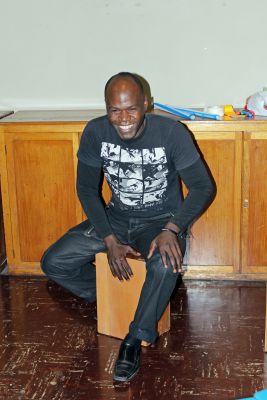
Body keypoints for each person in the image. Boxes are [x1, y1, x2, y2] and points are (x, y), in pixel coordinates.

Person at [41, 72, 215, 382]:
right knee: (54, 261)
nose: (123, 118)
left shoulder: (171, 133)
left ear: (146, 104)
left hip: (161, 223)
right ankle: (106, 296)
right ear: (106, 108)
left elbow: (202, 187)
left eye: (131, 109)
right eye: (115, 110)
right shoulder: (95, 132)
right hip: (116, 219)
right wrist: (109, 238)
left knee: (165, 265)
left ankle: (134, 339)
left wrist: (173, 229)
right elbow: (86, 189)